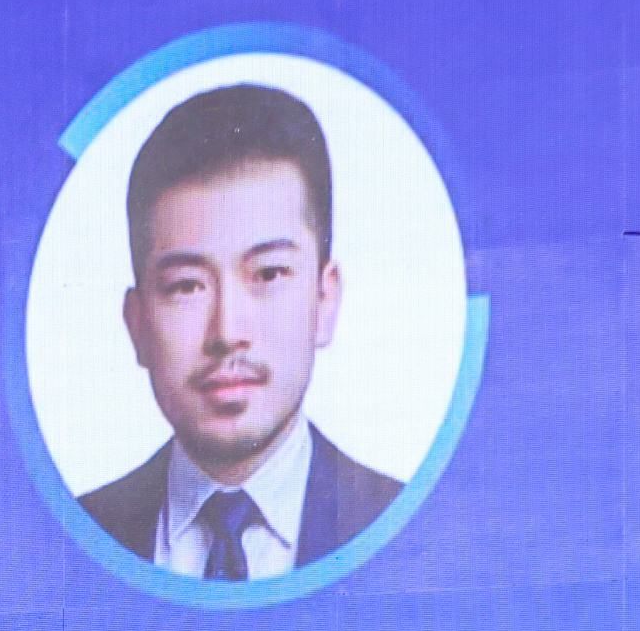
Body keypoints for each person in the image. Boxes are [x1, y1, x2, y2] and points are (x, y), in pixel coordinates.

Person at [81, 84, 401, 581]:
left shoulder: (410, 528)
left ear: (324, 299)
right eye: (187, 286)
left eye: (269, 274)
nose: (228, 332)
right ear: (137, 322)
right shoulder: (72, 538)